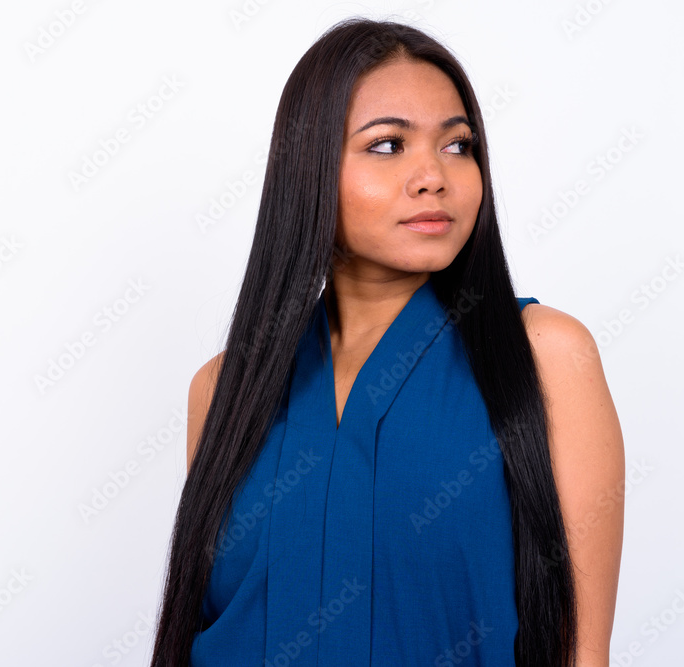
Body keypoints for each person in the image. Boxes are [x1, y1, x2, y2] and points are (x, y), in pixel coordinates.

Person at [150, 17, 623, 667]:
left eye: (458, 147)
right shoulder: (223, 388)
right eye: (387, 145)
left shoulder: (547, 354)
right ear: (309, 169)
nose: (433, 175)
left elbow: (582, 653)